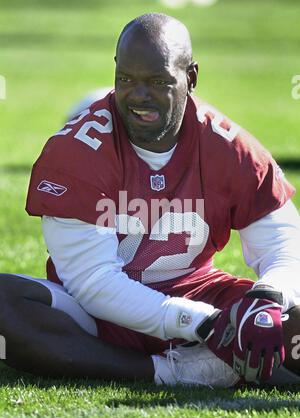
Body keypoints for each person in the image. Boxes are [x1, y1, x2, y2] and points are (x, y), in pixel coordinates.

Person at [1, 13, 300, 388]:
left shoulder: (229, 148)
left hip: (198, 294)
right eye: (126, 79)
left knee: (288, 312)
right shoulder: (76, 152)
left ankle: (224, 358)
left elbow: (283, 245)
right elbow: (93, 283)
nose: (139, 95)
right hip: (99, 315)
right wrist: (203, 324)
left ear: (190, 78)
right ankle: (177, 371)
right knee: (3, 304)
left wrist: (268, 298)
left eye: (158, 81)